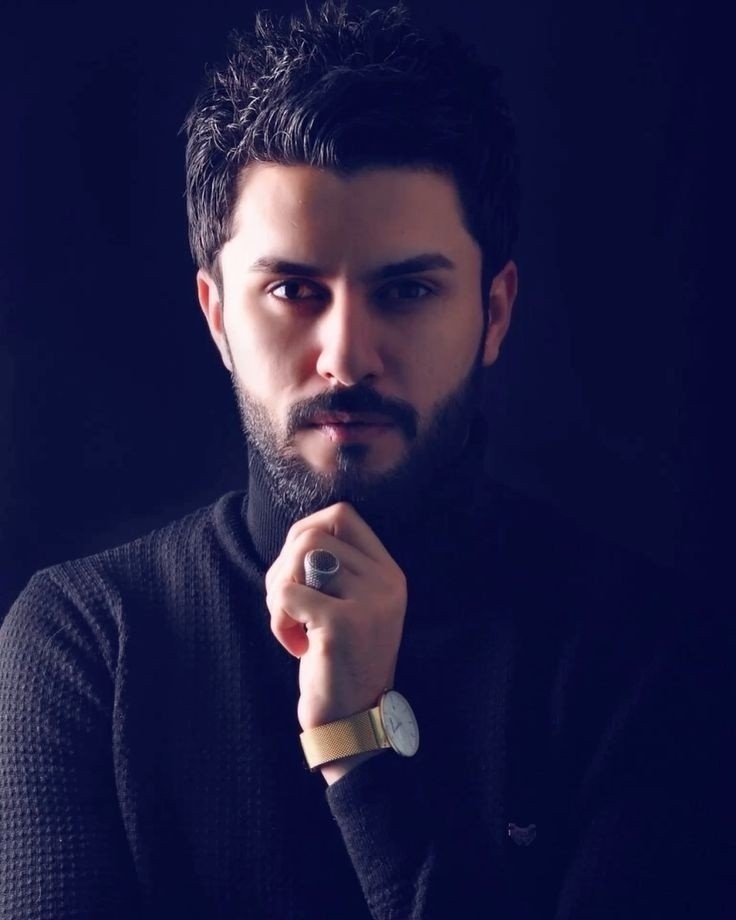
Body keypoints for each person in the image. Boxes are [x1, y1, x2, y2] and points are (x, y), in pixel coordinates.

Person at [0, 2, 729, 918]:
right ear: (218, 316)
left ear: (494, 313)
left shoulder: (648, 659)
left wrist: (358, 746)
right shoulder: (87, 646)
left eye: (408, 289)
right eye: (293, 290)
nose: (347, 358)